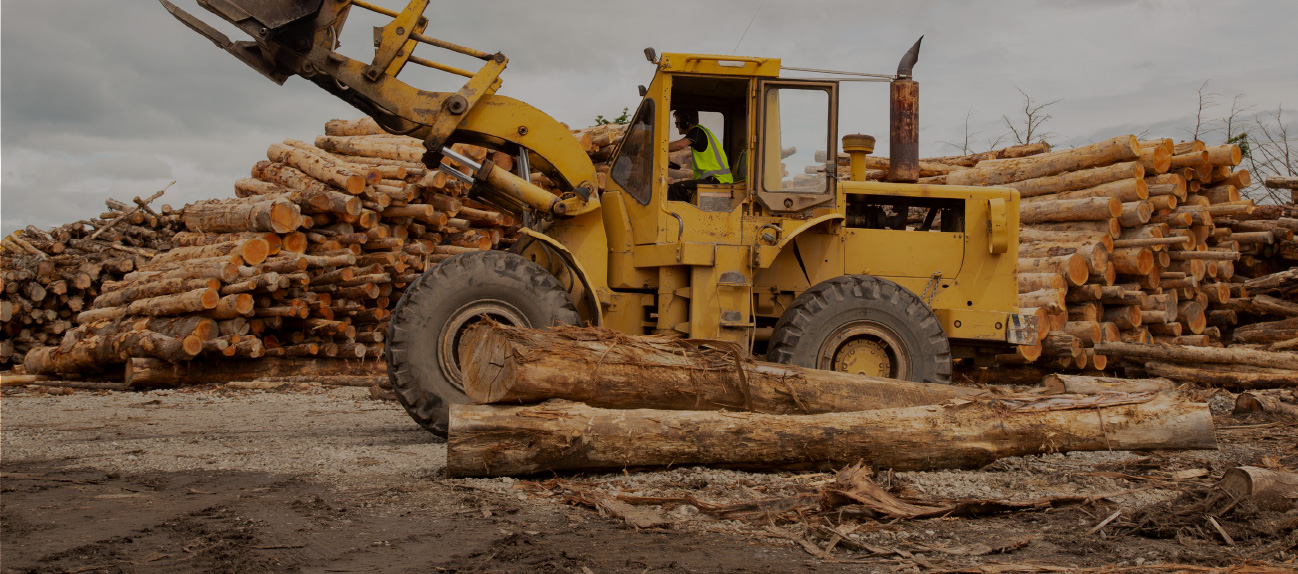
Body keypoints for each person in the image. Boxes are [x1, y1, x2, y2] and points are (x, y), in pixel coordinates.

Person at [667, 109, 732, 202]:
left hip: (717, 181)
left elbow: (681, 145)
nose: (676, 126)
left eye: (677, 123)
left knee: (676, 189)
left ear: (685, 122)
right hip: (716, 180)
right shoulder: (700, 133)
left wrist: (660, 147)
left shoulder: (697, 131)